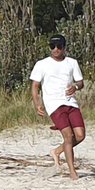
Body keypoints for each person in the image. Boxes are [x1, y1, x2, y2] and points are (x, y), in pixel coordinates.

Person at [30, 34, 86, 180]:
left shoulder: (72, 63)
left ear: (64, 47)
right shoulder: (42, 64)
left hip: (70, 102)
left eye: (59, 46)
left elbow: (80, 82)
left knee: (80, 136)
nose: (55, 49)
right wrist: (38, 104)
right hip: (54, 104)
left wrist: (75, 86)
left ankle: (56, 151)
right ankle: (72, 172)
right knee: (68, 136)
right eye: (52, 46)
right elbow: (35, 86)